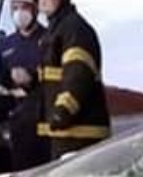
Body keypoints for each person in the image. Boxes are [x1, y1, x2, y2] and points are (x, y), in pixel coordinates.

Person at [37, 0, 111, 160]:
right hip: (65, 135)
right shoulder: (56, 30)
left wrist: (62, 112)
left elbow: (79, 72)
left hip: (79, 136)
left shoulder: (74, 28)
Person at [0, 0, 49, 170]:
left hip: (46, 120)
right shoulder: (5, 46)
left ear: (35, 8)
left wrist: (31, 78)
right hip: (19, 124)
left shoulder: (49, 38)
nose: (19, 13)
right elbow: (0, 85)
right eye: (15, 8)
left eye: (24, 7)